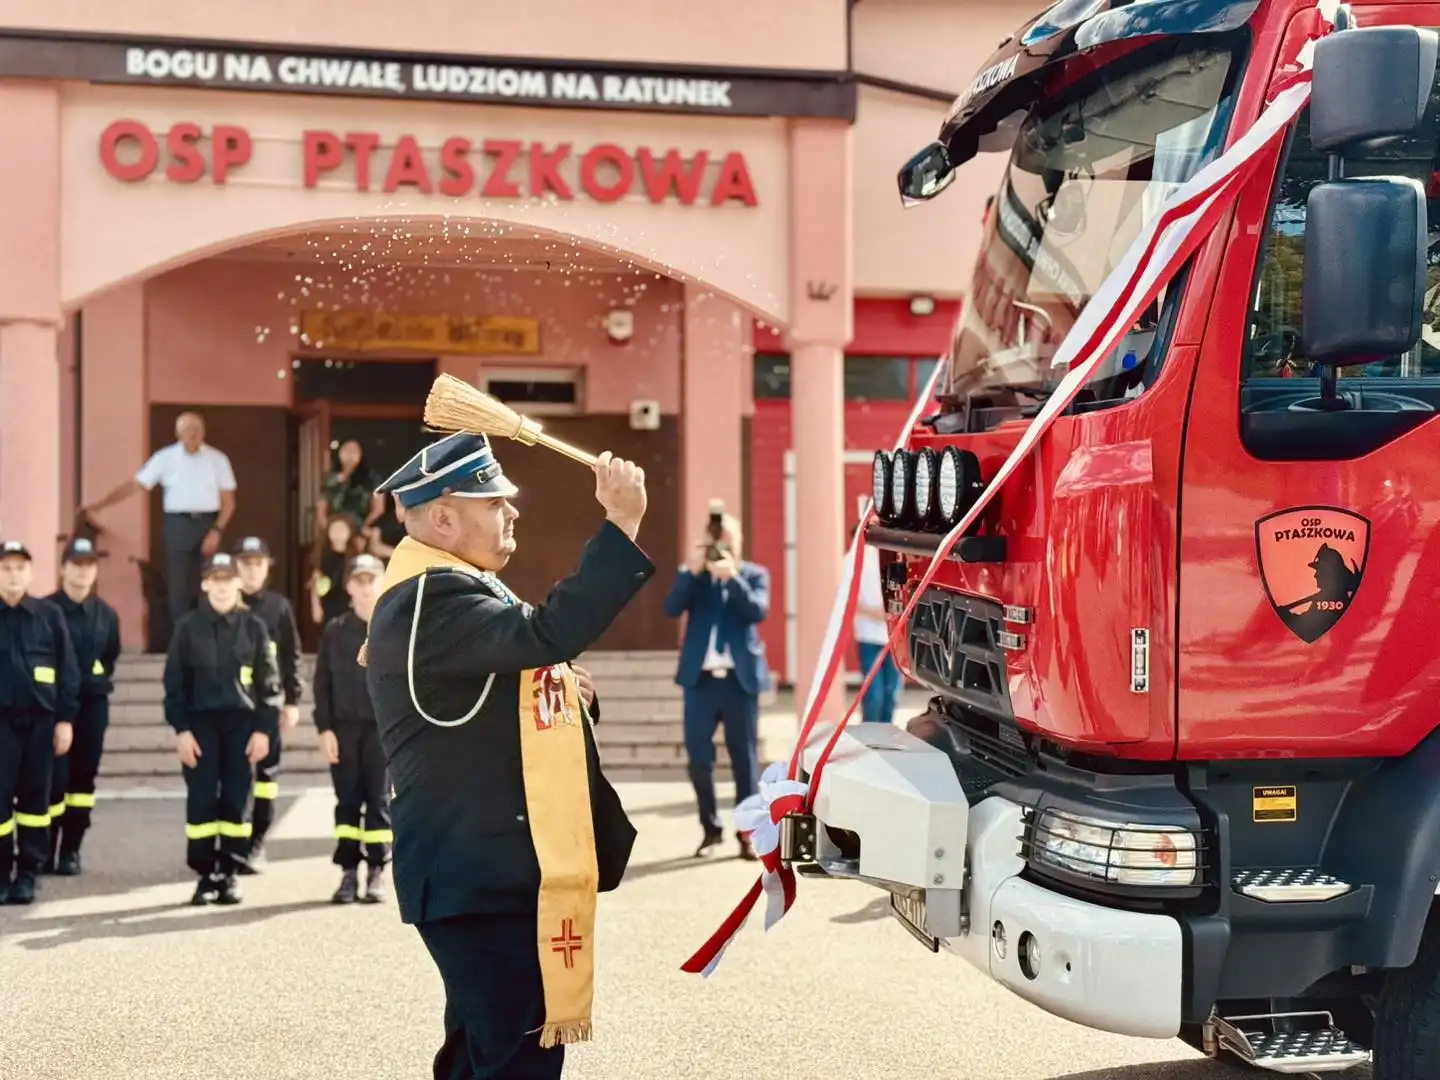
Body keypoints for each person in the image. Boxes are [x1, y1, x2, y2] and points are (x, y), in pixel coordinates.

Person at [362, 430, 652, 1080]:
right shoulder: (431, 598)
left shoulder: (445, 591)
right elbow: (547, 633)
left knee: (478, 1057)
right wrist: (622, 524)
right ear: (443, 517)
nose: (512, 513)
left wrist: (571, 693)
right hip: (479, 878)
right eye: (494, 501)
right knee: (515, 1064)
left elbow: (517, 678)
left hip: (481, 875)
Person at [162, 552, 280, 906]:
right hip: (199, 727)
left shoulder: (254, 628)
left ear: (238, 583)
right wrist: (181, 731)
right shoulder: (187, 627)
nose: (222, 586)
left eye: (228, 579)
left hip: (241, 728)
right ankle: (204, 875)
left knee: (236, 799)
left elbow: (269, 687)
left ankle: (230, 872)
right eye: (216, 579)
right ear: (205, 583)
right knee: (200, 800)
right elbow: (174, 685)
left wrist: (263, 731)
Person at [662, 510, 770, 860]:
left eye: (728, 542)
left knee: (745, 759)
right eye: (716, 542)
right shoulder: (695, 579)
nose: (722, 548)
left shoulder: (753, 574)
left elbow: (758, 611)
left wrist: (733, 578)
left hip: (739, 682)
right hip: (701, 682)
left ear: (738, 543)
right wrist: (692, 570)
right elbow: (671, 608)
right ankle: (710, 830)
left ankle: (746, 833)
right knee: (698, 758)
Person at [80, 411, 238, 638]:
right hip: (177, 524)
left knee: (213, 578)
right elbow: (136, 485)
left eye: (197, 428)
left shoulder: (218, 459)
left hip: (208, 522)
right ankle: (181, 640)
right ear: (177, 433)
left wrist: (216, 530)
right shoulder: (165, 458)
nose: (192, 433)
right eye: (187, 429)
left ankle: (212, 635)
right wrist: (102, 504)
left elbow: (229, 503)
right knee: (178, 583)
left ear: (204, 431)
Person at [0, 539, 79, 905]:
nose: (13, 574)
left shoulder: (49, 616)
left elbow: (68, 672)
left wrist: (65, 721)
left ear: (30, 573)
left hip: (40, 724)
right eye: (6, 567)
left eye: (19, 568)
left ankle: (29, 872)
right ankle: (2, 873)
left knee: (35, 798)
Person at [313, 552, 391, 905]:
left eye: (370, 579)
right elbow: (322, 683)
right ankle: (348, 873)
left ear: (382, 582)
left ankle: (377, 871)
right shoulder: (335, 630)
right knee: (347, 802)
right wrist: (324, 729)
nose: (364, 587)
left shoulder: (393, 626)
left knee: (377, 800)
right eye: (358, 580)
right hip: (343, 730)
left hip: (382, 729)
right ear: (348, 586)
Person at [44, 537, 121, 875]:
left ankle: (71, 850)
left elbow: (110, 656)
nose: (83, 571)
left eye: (89, 564)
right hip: (52, 706)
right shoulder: (45, 611)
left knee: (82, 781)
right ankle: (44, 848)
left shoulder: (106, 614)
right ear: (63, 568)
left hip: (91, 706)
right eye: (76, 564)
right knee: (52, 780)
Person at [233, 535, 304, 870]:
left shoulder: (279, 606)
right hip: (234, 704)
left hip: (269, 703)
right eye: (245, 563)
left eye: (257, 563)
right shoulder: (225, 603)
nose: (251, 570)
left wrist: (293, 700)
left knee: (266, 778)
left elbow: (292, 656)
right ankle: (233, 844)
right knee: (234, 776)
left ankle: (257, 842)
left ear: (266, 568)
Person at [854, 540, 901, 725]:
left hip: (894, 637)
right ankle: (869, 735)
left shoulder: (897, 554)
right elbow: (848, 598)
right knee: (874, 693)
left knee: (892, 693)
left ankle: (886, 737)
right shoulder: (857, 559)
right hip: (869, 636)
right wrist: (875, 613)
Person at [317, 438, 385, 538]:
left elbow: (379, 509)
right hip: (334, 527)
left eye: (354, 451)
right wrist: (327, 528)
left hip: (360, 528)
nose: (350, 454)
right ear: (339, 453)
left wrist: (364, 525)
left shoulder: (372, 479)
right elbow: (321, 508)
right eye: (347, 450)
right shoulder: (330, 480)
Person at [310, 514, 361, 629]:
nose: (338, 534)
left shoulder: (355, 556)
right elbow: (315, 582)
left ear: (350, 532)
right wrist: (316, 606)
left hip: (348, 603)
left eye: (342, 530)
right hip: (328, 604)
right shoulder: (323, 555)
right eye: (334, 530)